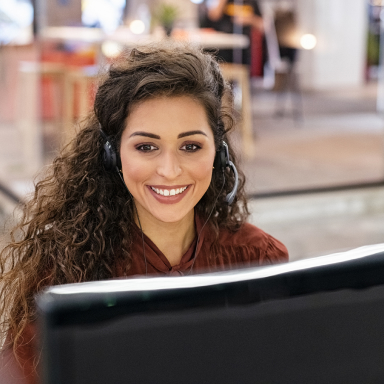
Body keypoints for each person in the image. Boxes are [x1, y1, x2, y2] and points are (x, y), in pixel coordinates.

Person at [0, 41, 288, 384]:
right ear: (113, 155)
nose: (169, 170)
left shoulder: (258, 259)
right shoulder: (64, 267)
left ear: (219, 153)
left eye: (190, 146)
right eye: (146, 147)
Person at [199, 0, 264, 65]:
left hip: (244, 50)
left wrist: (250, 19)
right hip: (223, 49)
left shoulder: (252, 2)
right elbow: (213, 16)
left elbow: (263, 25)